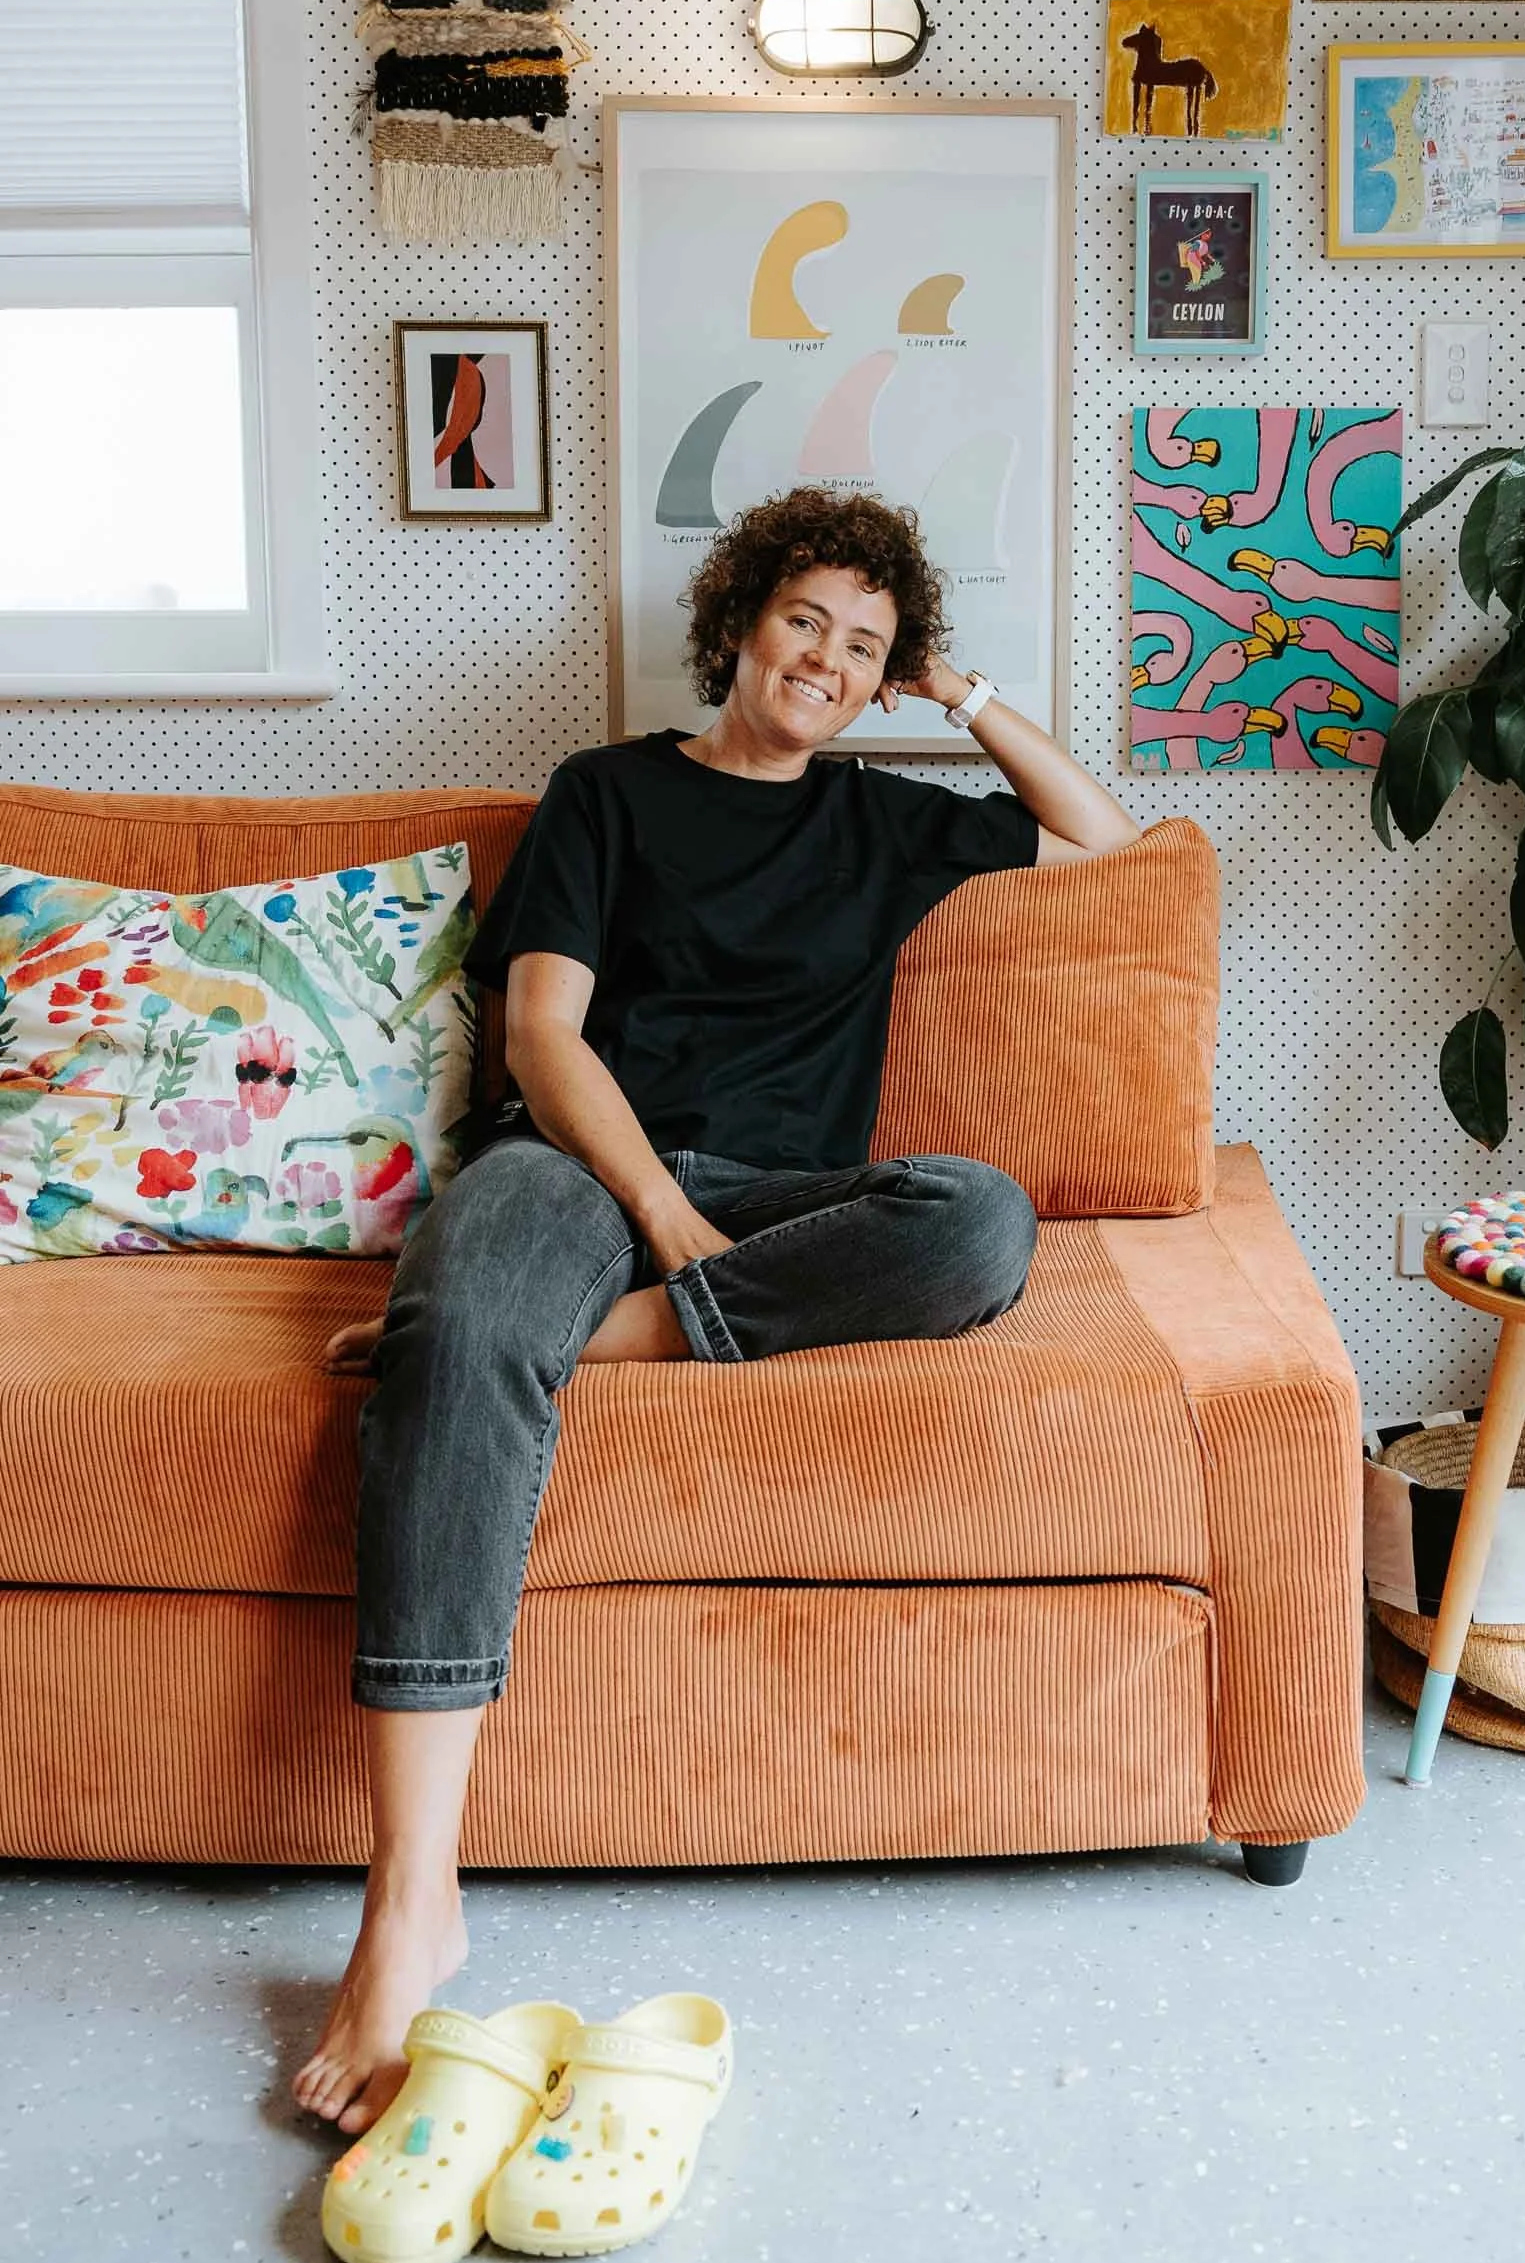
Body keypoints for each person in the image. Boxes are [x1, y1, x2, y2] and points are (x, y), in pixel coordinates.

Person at [293, 487, 1141, 2131]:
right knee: (474, 1313)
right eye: (807, 620)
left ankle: (540, 1347)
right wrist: (660, 1212)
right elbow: (546, 1037)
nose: (828, 659)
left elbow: (1111, 846)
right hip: (577, 1170)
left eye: (868, 646)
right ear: (742, 623)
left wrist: (959, 700)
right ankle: (411, 1909)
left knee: (977, 1218)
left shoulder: (888, 820)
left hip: (782, 1199)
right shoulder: (605, 793)